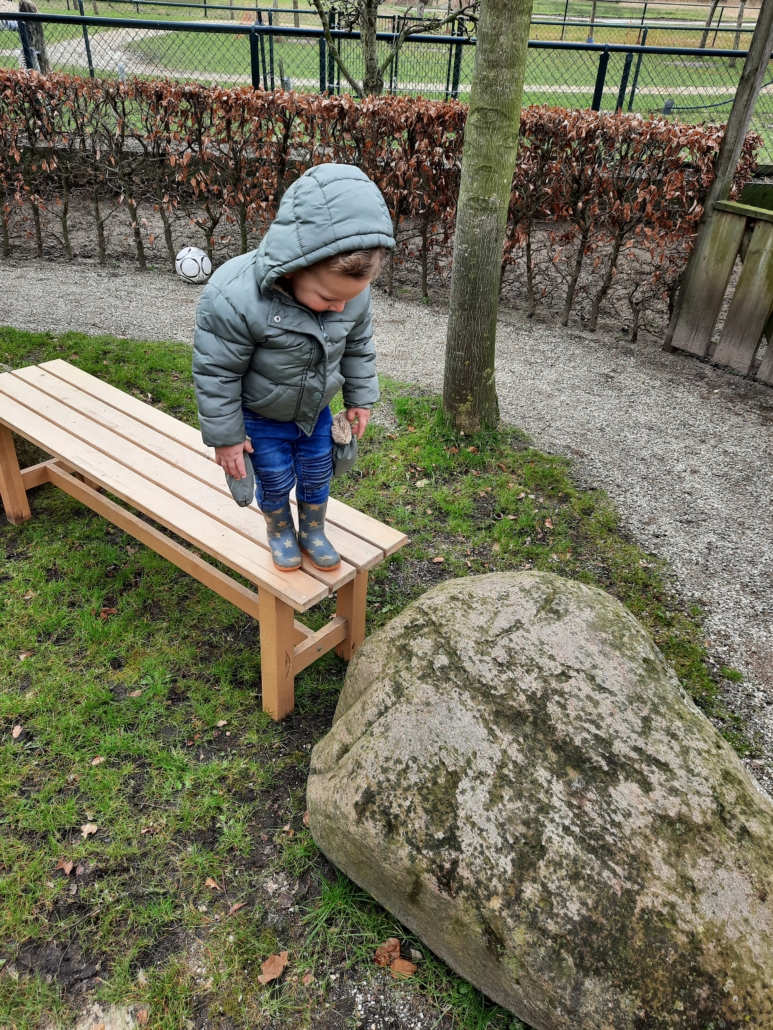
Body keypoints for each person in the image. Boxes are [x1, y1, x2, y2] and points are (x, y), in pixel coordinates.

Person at [192, 163, 395, 573]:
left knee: (318, 473)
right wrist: (227, 438)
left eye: (349, 298)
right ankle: (280, 530)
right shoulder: (234, 297)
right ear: (296, 264)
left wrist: (360, 398)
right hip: (260, 416)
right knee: (274, 477)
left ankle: (313, 531)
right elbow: (217, 373)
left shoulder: (349, 294)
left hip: (314, 412)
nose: (340, 307)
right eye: (328, 298)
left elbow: (358, 346)